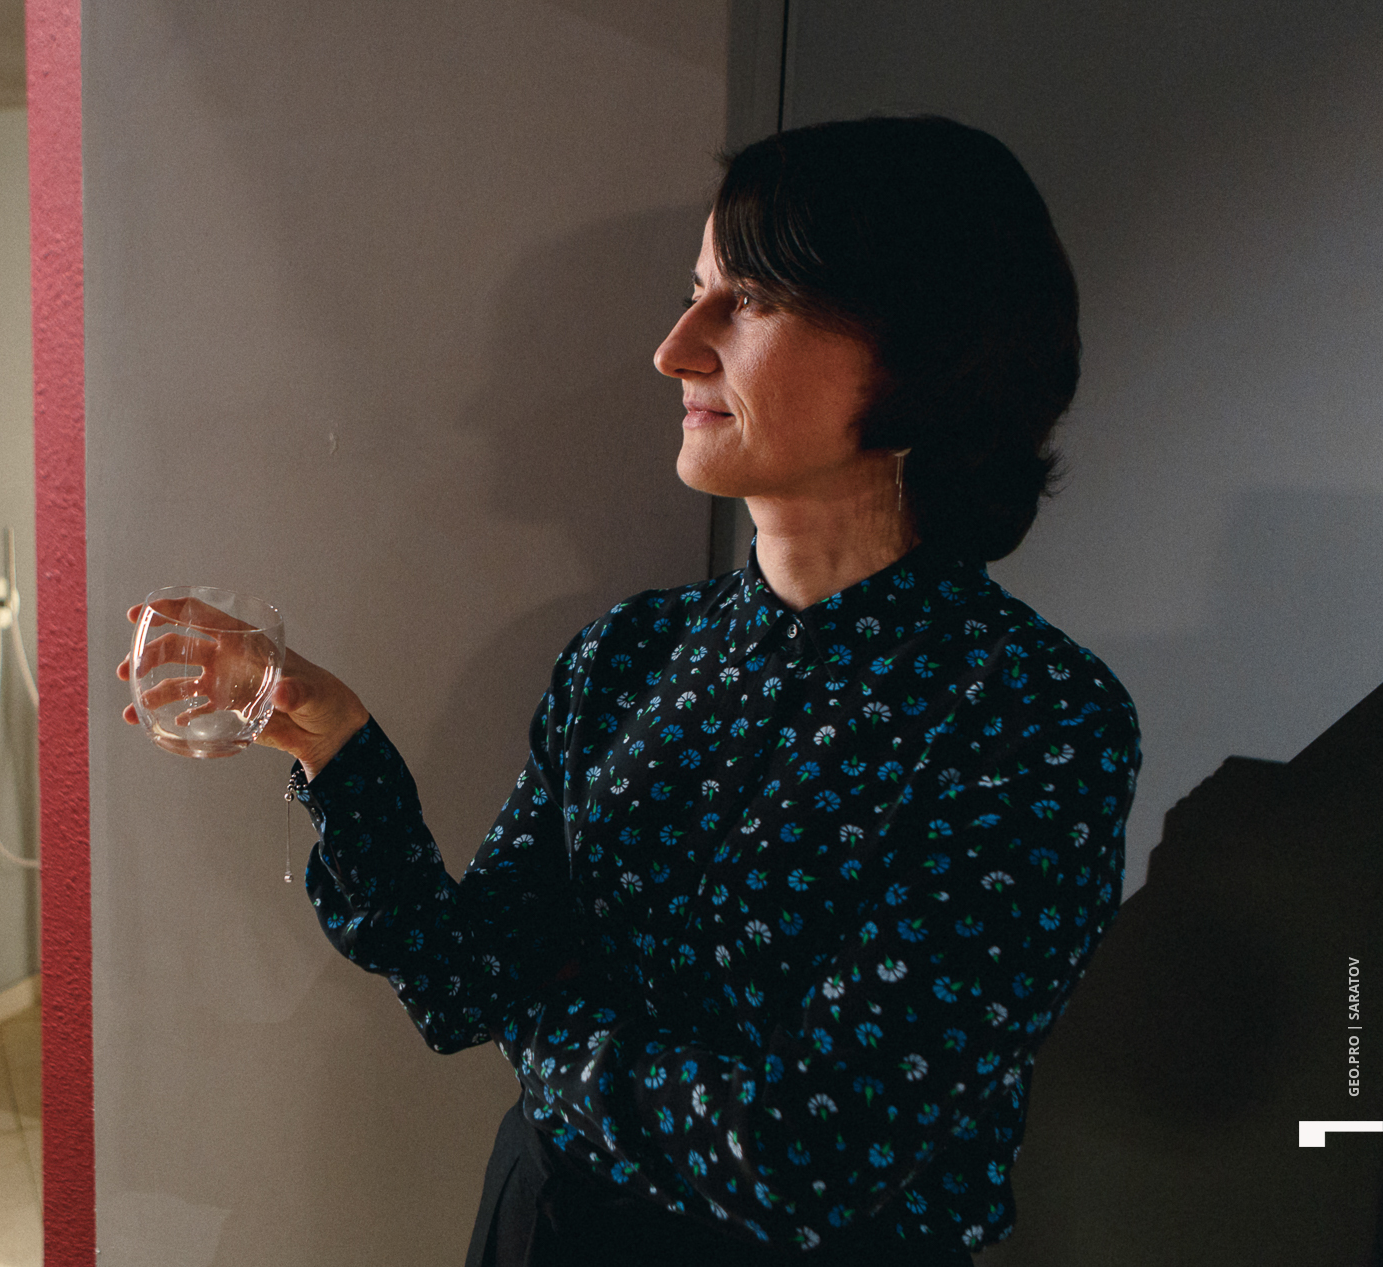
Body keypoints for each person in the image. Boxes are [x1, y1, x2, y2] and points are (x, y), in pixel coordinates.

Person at [122, 115, 1140, 1265]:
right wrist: (333, 738)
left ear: (922, 347)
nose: (674, 349)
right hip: (543, 1225)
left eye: (748, 300)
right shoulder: (629, 653)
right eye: (694, 292)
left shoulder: (1034, 719)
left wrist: (545, 1023)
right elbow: (460, 981)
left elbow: (806, 1158)